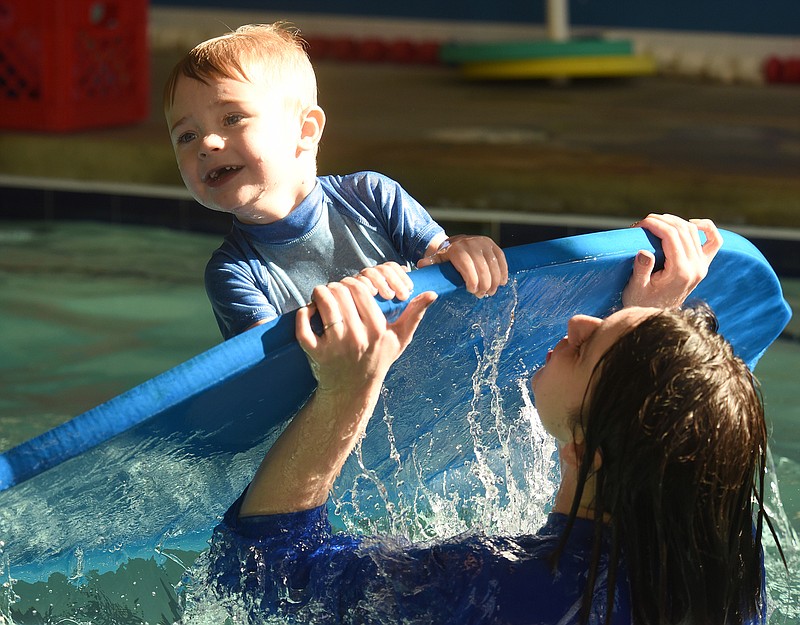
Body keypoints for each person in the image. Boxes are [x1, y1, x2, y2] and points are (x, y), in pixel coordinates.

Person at [202, 217, 774, 624]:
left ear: (589, 448)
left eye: (588, 345)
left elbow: (263, 580)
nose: (577, 321)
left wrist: (346, 394)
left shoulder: (490, 583)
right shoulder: (730, 568)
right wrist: (649, 333)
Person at [163, 23, 508, 340]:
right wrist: (348, 302)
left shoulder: (372, 198)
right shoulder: (234, 274)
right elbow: (270, 379)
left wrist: (464, 250)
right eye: (187, 136)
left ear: (305, 130)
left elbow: (442, 262)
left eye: (232, 118)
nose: (207, 144)